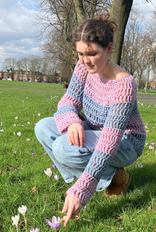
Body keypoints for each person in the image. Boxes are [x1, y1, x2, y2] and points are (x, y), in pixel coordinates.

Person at [35, 13, 146, 227]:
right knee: (43, 127)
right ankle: (104, 178)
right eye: (80, 54)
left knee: (62, 148)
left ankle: (112, 180)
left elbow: (109, 141)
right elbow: (68, 100)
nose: (84, 60)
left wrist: (83, 190)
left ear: (109, 49)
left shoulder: (124, 84)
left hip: (125, 141)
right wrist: (72, 121)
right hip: (95, 129)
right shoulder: (83, 68)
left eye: (92, 54)